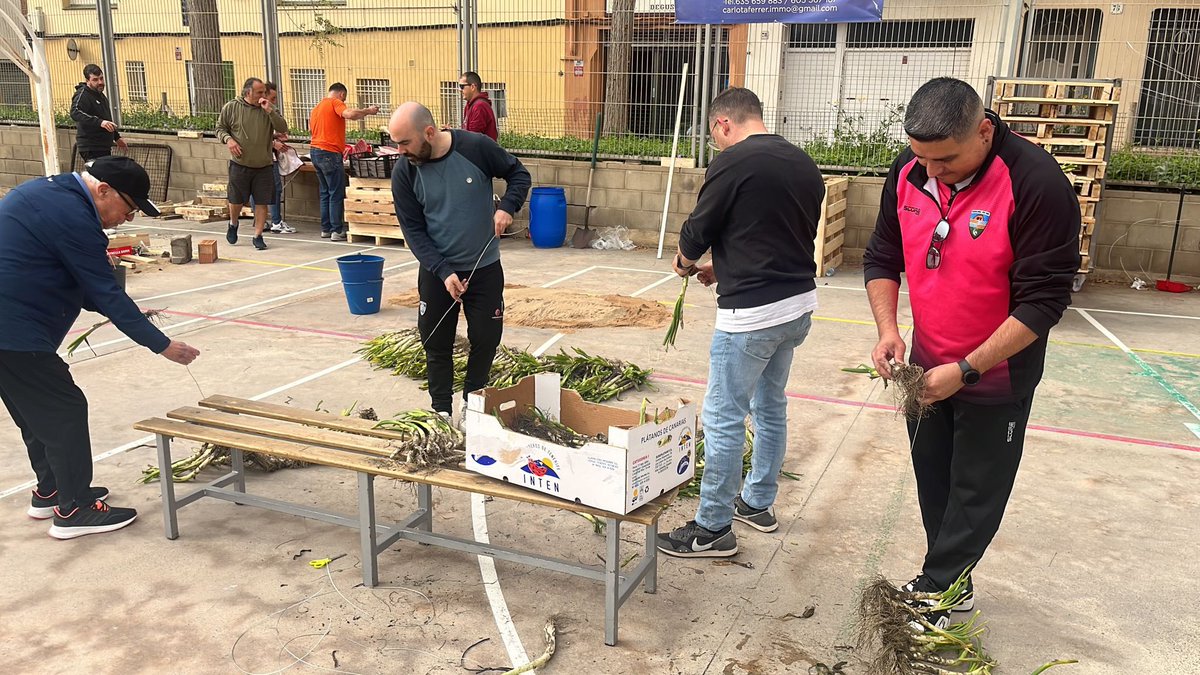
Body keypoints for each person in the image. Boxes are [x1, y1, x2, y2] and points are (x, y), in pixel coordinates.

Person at [862, 77, 1080, 629]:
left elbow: (1042, 303)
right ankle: (951, 584)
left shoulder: (1035, 183)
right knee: (933, 480)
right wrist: (889, 329)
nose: (931, 171)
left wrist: (966, 370)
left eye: (947, 160)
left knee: (975, 490)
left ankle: (939, 589)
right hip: (926, 368)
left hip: (997, 373)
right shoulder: (910, 171)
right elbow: (883, 257)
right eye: (922, 158)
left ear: (984, 131)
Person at [656, 87, 824, 559]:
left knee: (724, 416)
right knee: (770, 406)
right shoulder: (803, 163)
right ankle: (758, 503)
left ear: (722, 124)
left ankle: (712, 528)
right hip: (795, 306)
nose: (717, 143)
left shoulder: (733, 161)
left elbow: (700, 228)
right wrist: (725, 268)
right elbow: (776, 233)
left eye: (715, 135)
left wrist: (686, 261)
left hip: (752, 316)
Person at [0, 155, 200, 540]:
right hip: (13, 330)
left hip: (12, 329)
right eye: (128, 208)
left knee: (36, 412)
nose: (128, 218)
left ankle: (52, 490)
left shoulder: (49, 194)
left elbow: (79, 281)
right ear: (103, 190)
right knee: (62, 409)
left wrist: (124, 309)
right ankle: (75, 509)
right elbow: (104, 291)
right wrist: (161, 344)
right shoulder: (74, 217)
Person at [387, 102, 530, 417]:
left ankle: (472, 404)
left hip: (484, 267)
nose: (400, 151)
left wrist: (508, 205)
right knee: (436, 342)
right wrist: (442, 271)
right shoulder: (404, 171)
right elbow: (412, 230)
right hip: (438, 272)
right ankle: (441, 411)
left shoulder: (475, 148)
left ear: (429, 132)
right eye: (396, 143)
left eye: (405, 143)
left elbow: (518, 174)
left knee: (486, 339)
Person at [216, 77, 288, 251]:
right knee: (236, 200)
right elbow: (220, 128)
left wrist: (270, 111)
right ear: (248, 92)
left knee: (262, 201)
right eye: (260, 92)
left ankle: (258, 235)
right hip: (240, 164)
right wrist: (229, 140)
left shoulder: (268, 109)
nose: (263, 95)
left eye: (264, 92)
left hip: (263, 165)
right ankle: (233, 224)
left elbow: (282, 127)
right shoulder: (232, 107)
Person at [309, 83, 381, 241]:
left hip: (315, 151)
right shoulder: (335, 103)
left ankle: (326, 228)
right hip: (330, 152)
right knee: (336, 192)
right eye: (345, 98)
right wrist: (368, 111)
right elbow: (349, 114)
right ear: (341, 94)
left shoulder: (317, 108)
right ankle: (336, 229)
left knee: (325, 192)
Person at [248, 82, 296, 234]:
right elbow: (252, 136)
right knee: (273, 189)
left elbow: (268, 131)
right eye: (272, 98)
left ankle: (260, 221)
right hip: (263, 158)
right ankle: (276, 221)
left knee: (261, 190)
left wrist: (275, 135)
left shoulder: (268, 112)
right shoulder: (254, 113)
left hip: (265, 157)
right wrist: (273, 143)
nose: (274, 102)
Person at [70, 64, 126, 161]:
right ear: (87, 81)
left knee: (105, 175)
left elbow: (106, 119)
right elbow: (75, 112)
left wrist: (116, 137)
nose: (100, 82)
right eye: (95, 80)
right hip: (91, 148)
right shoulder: (83, 95)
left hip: (103, 147)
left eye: (101, 78)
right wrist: (100, 122)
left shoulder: (101, 96)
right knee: (98, 175)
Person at [458, 72, 498, 141]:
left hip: (483, 151)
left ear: (473, 87)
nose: (460, 90)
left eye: (462, 87)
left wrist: (454, 136)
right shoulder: (470, 105)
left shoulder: (479, 106)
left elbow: (473, 137)